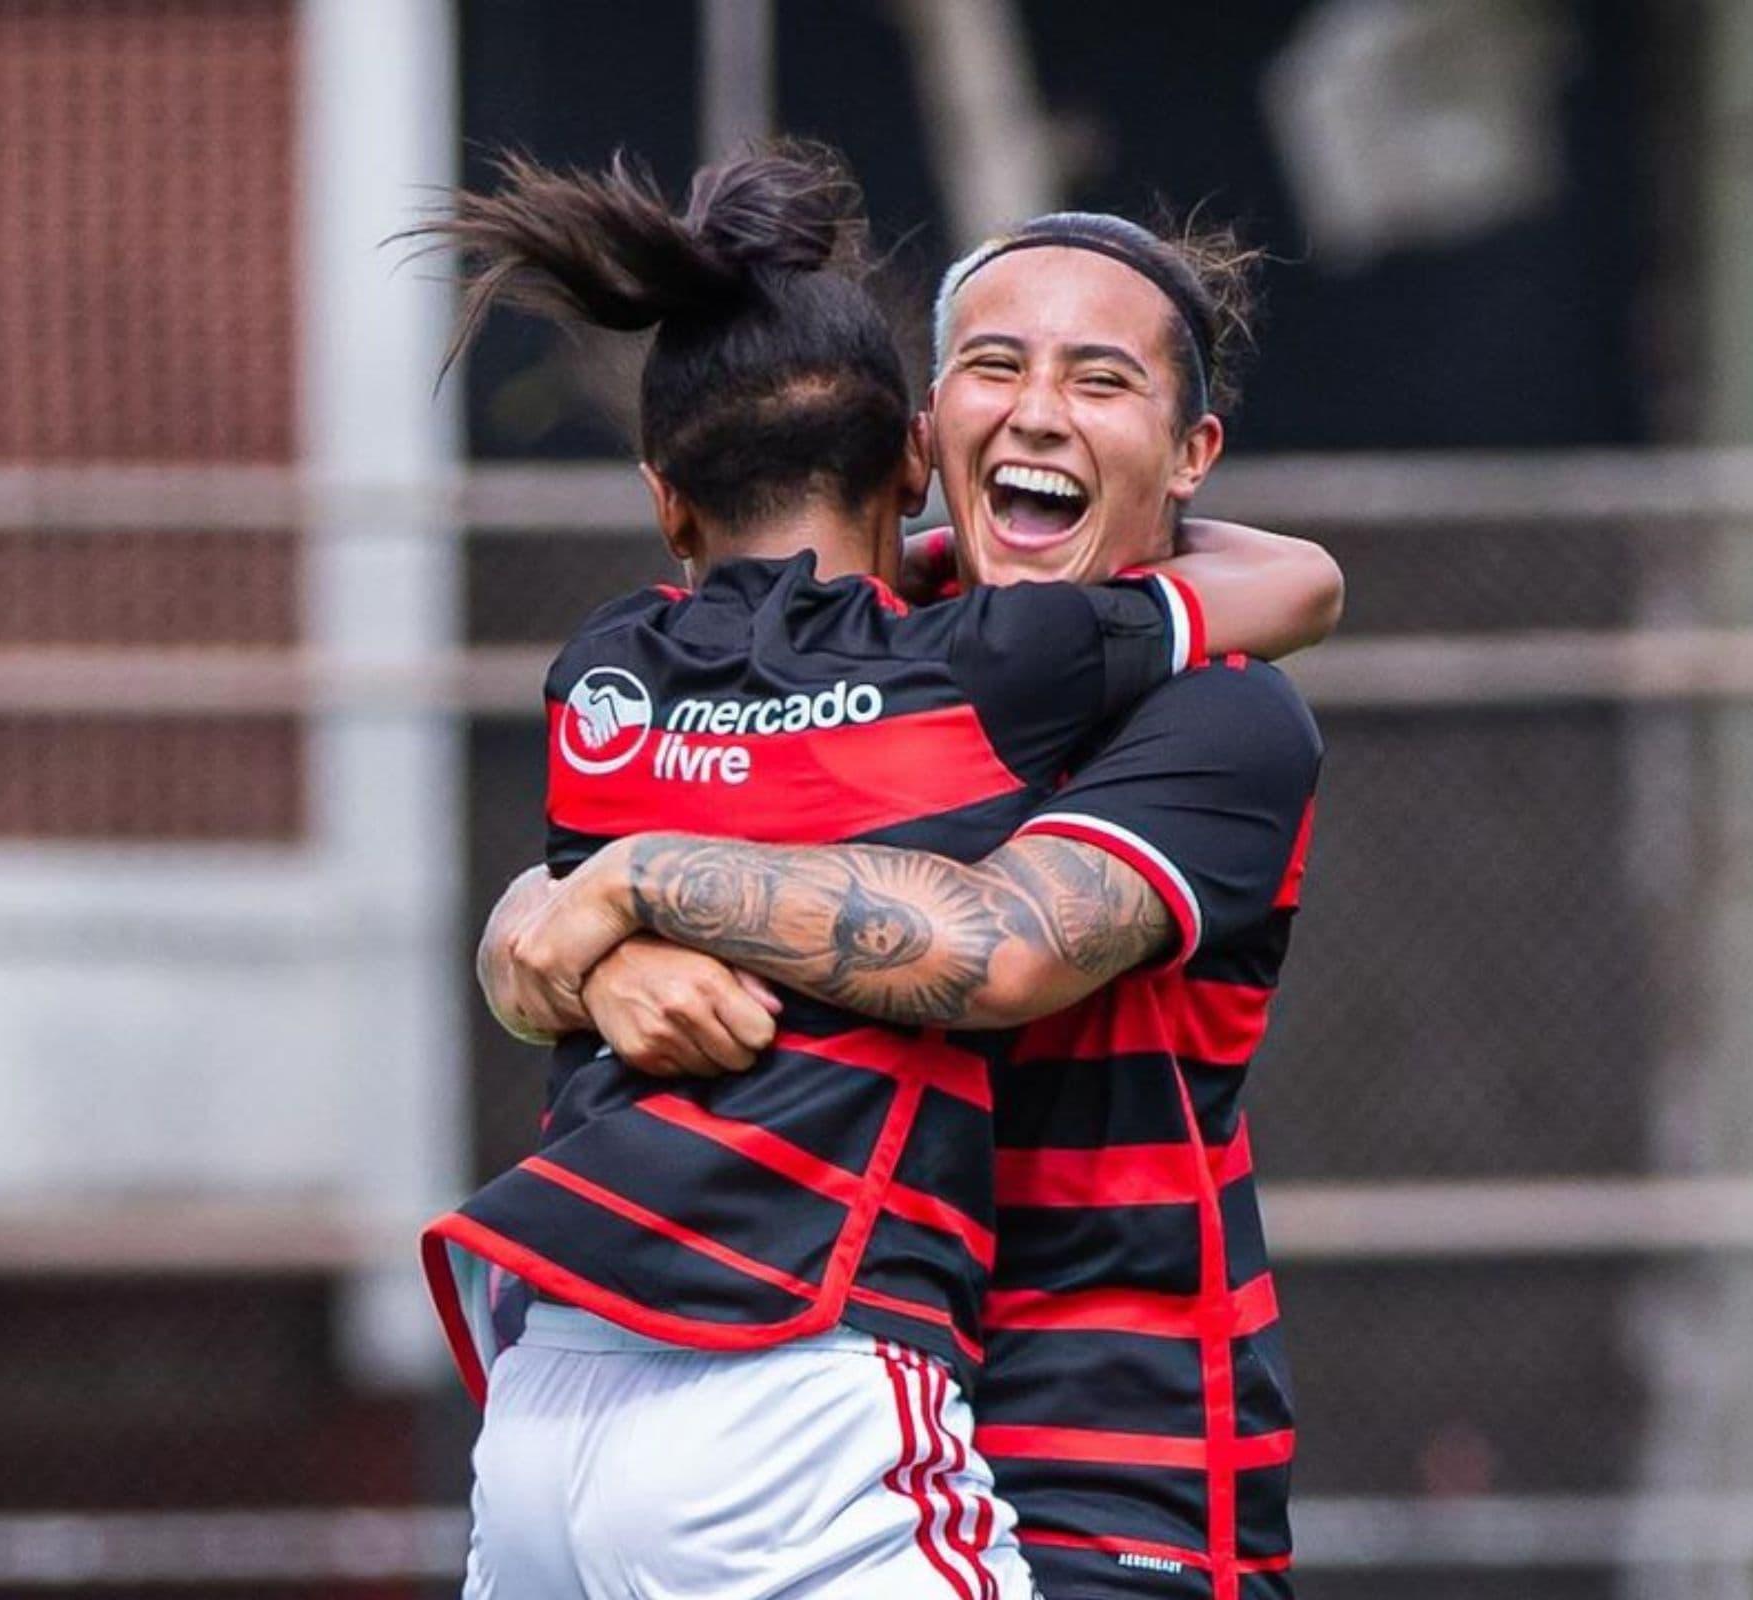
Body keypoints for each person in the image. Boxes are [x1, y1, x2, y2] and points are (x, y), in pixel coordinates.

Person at [421, 145, 1337, 1600]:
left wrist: (631, 883)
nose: (1039, 407)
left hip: (1107, 1486)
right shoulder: (911, 674)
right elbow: (547, 924)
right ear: (924, 431)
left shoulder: (1218, 710)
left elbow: (1002, 949)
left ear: (1190, 457)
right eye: (995, 364)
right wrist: (570, 944)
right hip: (826, 1401)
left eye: (1102, 382)